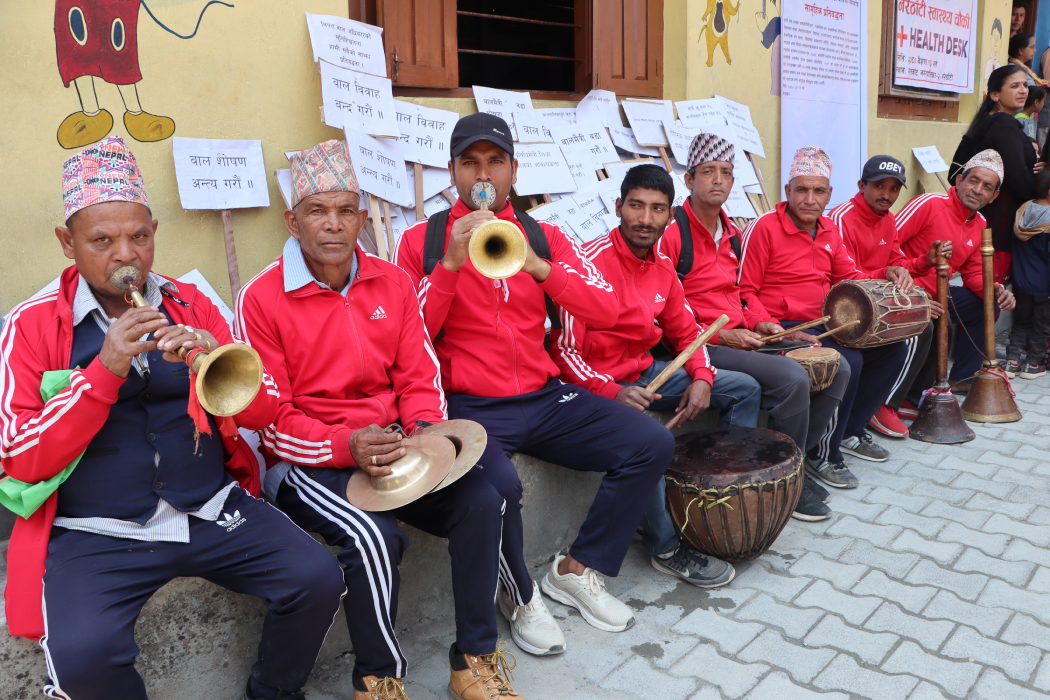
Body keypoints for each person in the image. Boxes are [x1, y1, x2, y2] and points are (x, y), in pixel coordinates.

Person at [0, 136, 347, 700]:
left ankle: (274, 692)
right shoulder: (32, 324)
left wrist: (212, 357)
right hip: (99, 531)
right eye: (102, 241)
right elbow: (19, 456)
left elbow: (264, 409)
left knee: (316, 579)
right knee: (84, 659)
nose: (125, 257)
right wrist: (104, 369)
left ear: (155, 232)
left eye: (139, 237)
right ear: (68, 243)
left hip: (210, 507)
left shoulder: (192, 303)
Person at [235, 140, 522, 700]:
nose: (333, 225)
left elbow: (419, 375)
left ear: (363, 218)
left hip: (395, 446)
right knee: (373, 537)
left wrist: (423, 435)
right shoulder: (262, 297)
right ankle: (379, 678)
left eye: (346, 210)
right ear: (293, 221)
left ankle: (474, 661)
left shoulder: (390, 281)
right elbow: (271, 418)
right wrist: (347, 446)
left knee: (484, 500)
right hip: (309, 460)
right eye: (318, 211)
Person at [395, 113, 673, 655]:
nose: (484, 174)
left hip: (545, 397)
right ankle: (520, 594)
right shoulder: (422, 241)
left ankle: (575, 569)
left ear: (514, 170)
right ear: (451, 171)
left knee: (651, 442)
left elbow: (608, 307)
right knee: (502, 489)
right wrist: (450, 264)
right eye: (470, 162)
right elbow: (409, 340)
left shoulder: (544, 234)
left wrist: (539, 266)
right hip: (471, 404)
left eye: (495, 162)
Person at [549, 164, 748, 586]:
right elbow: (564, 352)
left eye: (657, 209)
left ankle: (717, 507)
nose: (645, 219)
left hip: (646, 373)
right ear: (618, 207)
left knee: (743, 390)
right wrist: (611, 391)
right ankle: (664, 546)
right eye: (636, 206)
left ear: (669, 216)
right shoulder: (586, 263)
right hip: (595, 384)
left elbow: (689, 333)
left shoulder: (661, 267)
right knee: (644, 436)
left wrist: (701, 377)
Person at [657, 133, 848, 520]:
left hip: (743, 334)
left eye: (726, 172)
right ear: (689, 180)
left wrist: (766, 324)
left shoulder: (730, 232)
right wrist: (721, 333)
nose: (717, 180)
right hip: (698, 341)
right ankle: (783, 479)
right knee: (793, 378)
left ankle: (792, 461)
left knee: (836, 366)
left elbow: (743, 293)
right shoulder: (673, 231)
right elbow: (661, 306)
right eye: (707, 171)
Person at [738, 147, 909, 490]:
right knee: (848, 362)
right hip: (781, 328)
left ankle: (848, 429)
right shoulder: (764, 229)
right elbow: (743, 291)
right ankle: (822, 452)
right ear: (787, 191)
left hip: (823, 324)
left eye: (818, 191)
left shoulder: (830, 231)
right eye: (801, 189)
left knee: (893, 348)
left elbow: (851, 278)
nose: (810, 199)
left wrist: (889, 274)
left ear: (829, 194)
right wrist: (764, 324)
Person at [829, 156, 947, 437]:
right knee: (920, 327)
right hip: (846, 308)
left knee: (934, 318)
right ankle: (883, 406)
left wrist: (922, 263)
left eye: (894, 188)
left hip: (871, 302)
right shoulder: (841, 218)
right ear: (861, 185)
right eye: (879, 186)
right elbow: (847, 280)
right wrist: (889, 273)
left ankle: (888, 404)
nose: (887, 194)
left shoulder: (888, 219)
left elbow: (897, 264)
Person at [897, 150, 1018, 393]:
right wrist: (910, 288)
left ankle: (961, 379)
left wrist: (996, 290)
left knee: (988, 303)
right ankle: (910, 392)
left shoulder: (981, 223)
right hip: (903, 291)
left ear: (993, 196)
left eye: (987, 187)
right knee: (944, 322)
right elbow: (888, 243)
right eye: (973, 181)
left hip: (940, 294)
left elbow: (974, 275)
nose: (977, 190)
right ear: (959, 181)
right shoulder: (929, 204)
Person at [954, 65, 1040, 284]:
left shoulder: (988, 120)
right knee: (991, 293)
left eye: (1024, 85)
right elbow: (1018, 178)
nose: (1023, 90)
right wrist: (1042, 188)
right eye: (1014, 86)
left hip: (984, 222)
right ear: (995, 95)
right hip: (998, 225)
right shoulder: (1003, 123)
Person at [1004, 169, 1050, 379]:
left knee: (1021, 321)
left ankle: (1012, 362)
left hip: (1021, 282)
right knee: (1041, 324)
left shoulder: (1022, 211)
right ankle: (1033, 365)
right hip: (1044, 285)